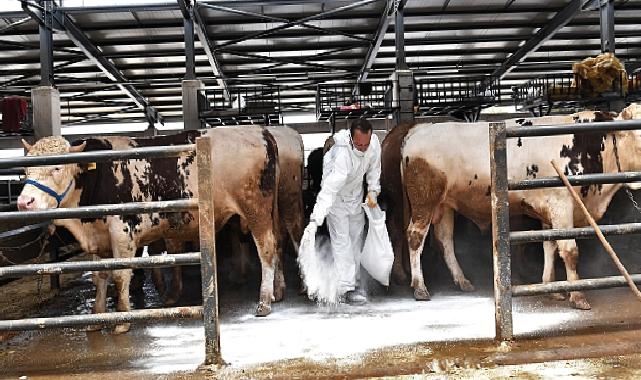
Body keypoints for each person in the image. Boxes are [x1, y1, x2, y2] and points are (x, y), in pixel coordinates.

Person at [303, 118, 381, 305]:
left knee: (356, 240)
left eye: (366, 143)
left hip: (356, 198)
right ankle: (346, 288)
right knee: (342, 243)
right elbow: (329, 189)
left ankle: (355, 282)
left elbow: (374, 169)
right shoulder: (342, 154)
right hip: (336, 201)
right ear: (351, 138)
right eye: (359, 144)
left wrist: (372, 190)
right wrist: (316, 219)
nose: (363, 147)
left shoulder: (374, 144)